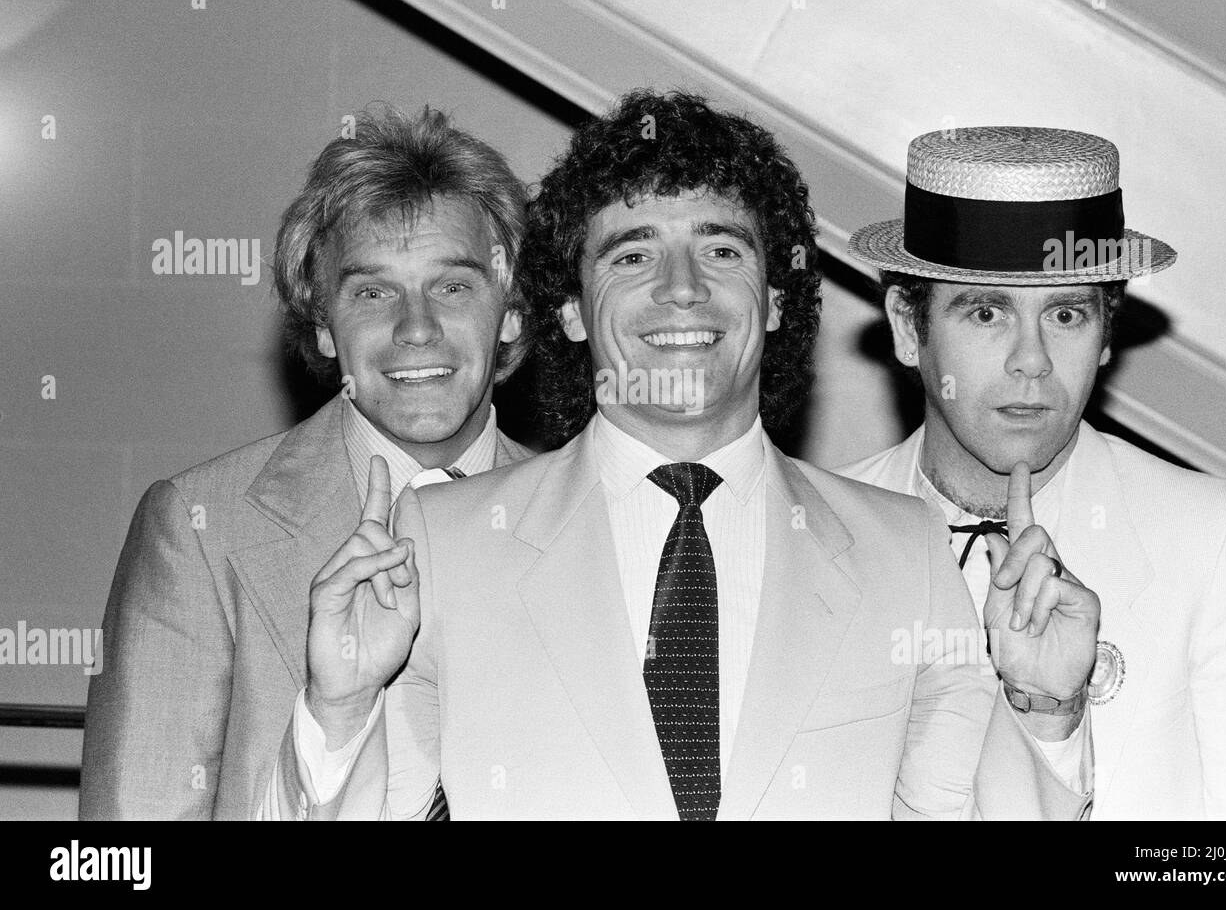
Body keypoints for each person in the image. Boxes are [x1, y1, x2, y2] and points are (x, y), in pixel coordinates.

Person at [261, 92, 1098, 821]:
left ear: (773, 302)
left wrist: (1046, 704)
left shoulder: (904, 550)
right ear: (571, 310)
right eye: (632, 254)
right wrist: (340, 705)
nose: (682, 287)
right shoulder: (444, 543)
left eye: (722, 248)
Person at [80, 105, 533, 819]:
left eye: (453, 286)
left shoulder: (586, 519)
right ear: (323, 326)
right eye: (373, 292)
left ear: (511, 312)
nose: (416, 328)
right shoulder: (201, 530)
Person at [839, 125, 1226, 819]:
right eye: (988, 310)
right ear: (909, 326)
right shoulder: (819, 532)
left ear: (1107, 332)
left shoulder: (1213, 541)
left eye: (1065, 312)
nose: (1034, 359)